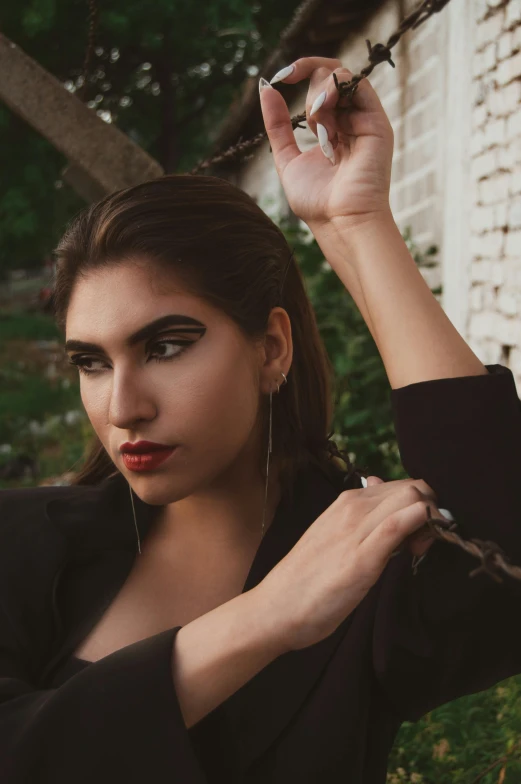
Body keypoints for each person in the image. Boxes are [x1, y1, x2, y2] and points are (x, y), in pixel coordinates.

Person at [0, 57, 520, 784]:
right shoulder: (17, 543)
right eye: (91, 362)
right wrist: (266, 617)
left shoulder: (353, 567)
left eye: (167, 346)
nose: (122, 407)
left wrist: (356, 225)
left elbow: (505, 559)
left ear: (271, 348)